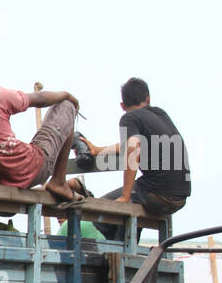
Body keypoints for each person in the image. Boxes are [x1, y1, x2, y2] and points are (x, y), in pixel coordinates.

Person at [0, 47, 88, 203]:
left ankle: (61, 184)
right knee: (66, 106)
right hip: (31, 167)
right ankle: (59, 181)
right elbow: (41, 98)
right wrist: (67, 95)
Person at [77, 77, 191, 227]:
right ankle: (131, 246)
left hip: (157, 195)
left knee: (96, 210)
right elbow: (133, 143)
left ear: (122, 106)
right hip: (180, 198)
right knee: (133, 206)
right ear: (148, 98)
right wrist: (98, 150)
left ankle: (113, 247)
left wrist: (125, 196)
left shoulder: (129, 118)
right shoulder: (160, 114)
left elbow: (133, 146)